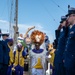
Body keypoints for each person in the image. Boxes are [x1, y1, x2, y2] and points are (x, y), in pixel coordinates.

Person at [63, 7, 75, 75]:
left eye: (69, 16)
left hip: (72, 62)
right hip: (68, 62)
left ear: (74, 16)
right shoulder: (71, 29)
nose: (68, 18)